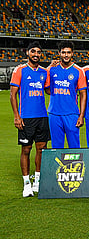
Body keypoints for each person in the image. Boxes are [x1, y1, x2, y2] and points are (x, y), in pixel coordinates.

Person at [10, 41, 49, 197]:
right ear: (27, 53)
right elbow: (13, 95)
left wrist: (52, 68)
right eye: (33, 51)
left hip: (42, 116)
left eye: (38, 52)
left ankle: (37, 181)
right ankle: (26, 184)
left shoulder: (44, 72)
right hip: (26, 118)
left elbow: (47, 90)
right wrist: (16, 116)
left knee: (41, 150)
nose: (36, 54)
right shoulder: (20, 70)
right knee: (26, 150)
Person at [45, 41, 87, 149]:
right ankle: (59, 166)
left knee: (74, 146)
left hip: (71, 113)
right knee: (56, 146)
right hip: (54, 113)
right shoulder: (52, 69)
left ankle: (74, 166)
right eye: (63, 52)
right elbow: (47, 90)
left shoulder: (78, 71)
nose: (66, 55)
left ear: (72, 53)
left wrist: (81, 116)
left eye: (68, 52)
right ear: (59, 53)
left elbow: (83, 94)